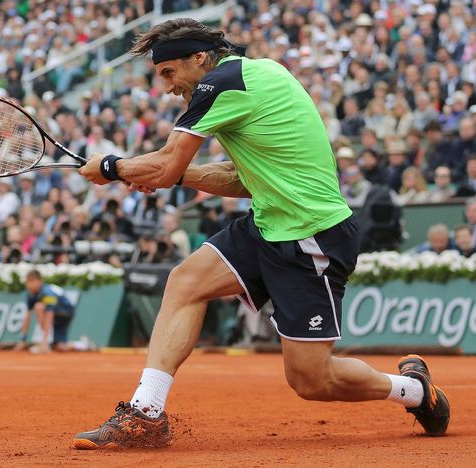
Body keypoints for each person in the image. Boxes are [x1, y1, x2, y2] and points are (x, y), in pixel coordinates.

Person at [75, 18, 449, 450]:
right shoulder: (259, 72)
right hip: (269, 221)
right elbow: (240, 179)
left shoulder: (221, 83)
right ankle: (146, 415)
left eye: (168, 73)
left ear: (199, 58)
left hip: (312, 235)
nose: (167, 87)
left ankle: (415, 390)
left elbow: (166, 162)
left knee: (312, 380)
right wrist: (167, 176)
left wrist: (111, 167)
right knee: (185, 281)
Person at [20, 269, 76, 354]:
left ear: (39, 281)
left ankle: (45, 342)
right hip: (57, 315)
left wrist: (44, 341)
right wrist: (22, 339)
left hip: (65, 313)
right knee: (60, 347)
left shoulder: (48, 293)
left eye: (31, 281)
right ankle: (83, 345)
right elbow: (27, 317)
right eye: (27, 282)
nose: (28, 285)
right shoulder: (30, 294)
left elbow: (49, 316)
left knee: (39, 307)